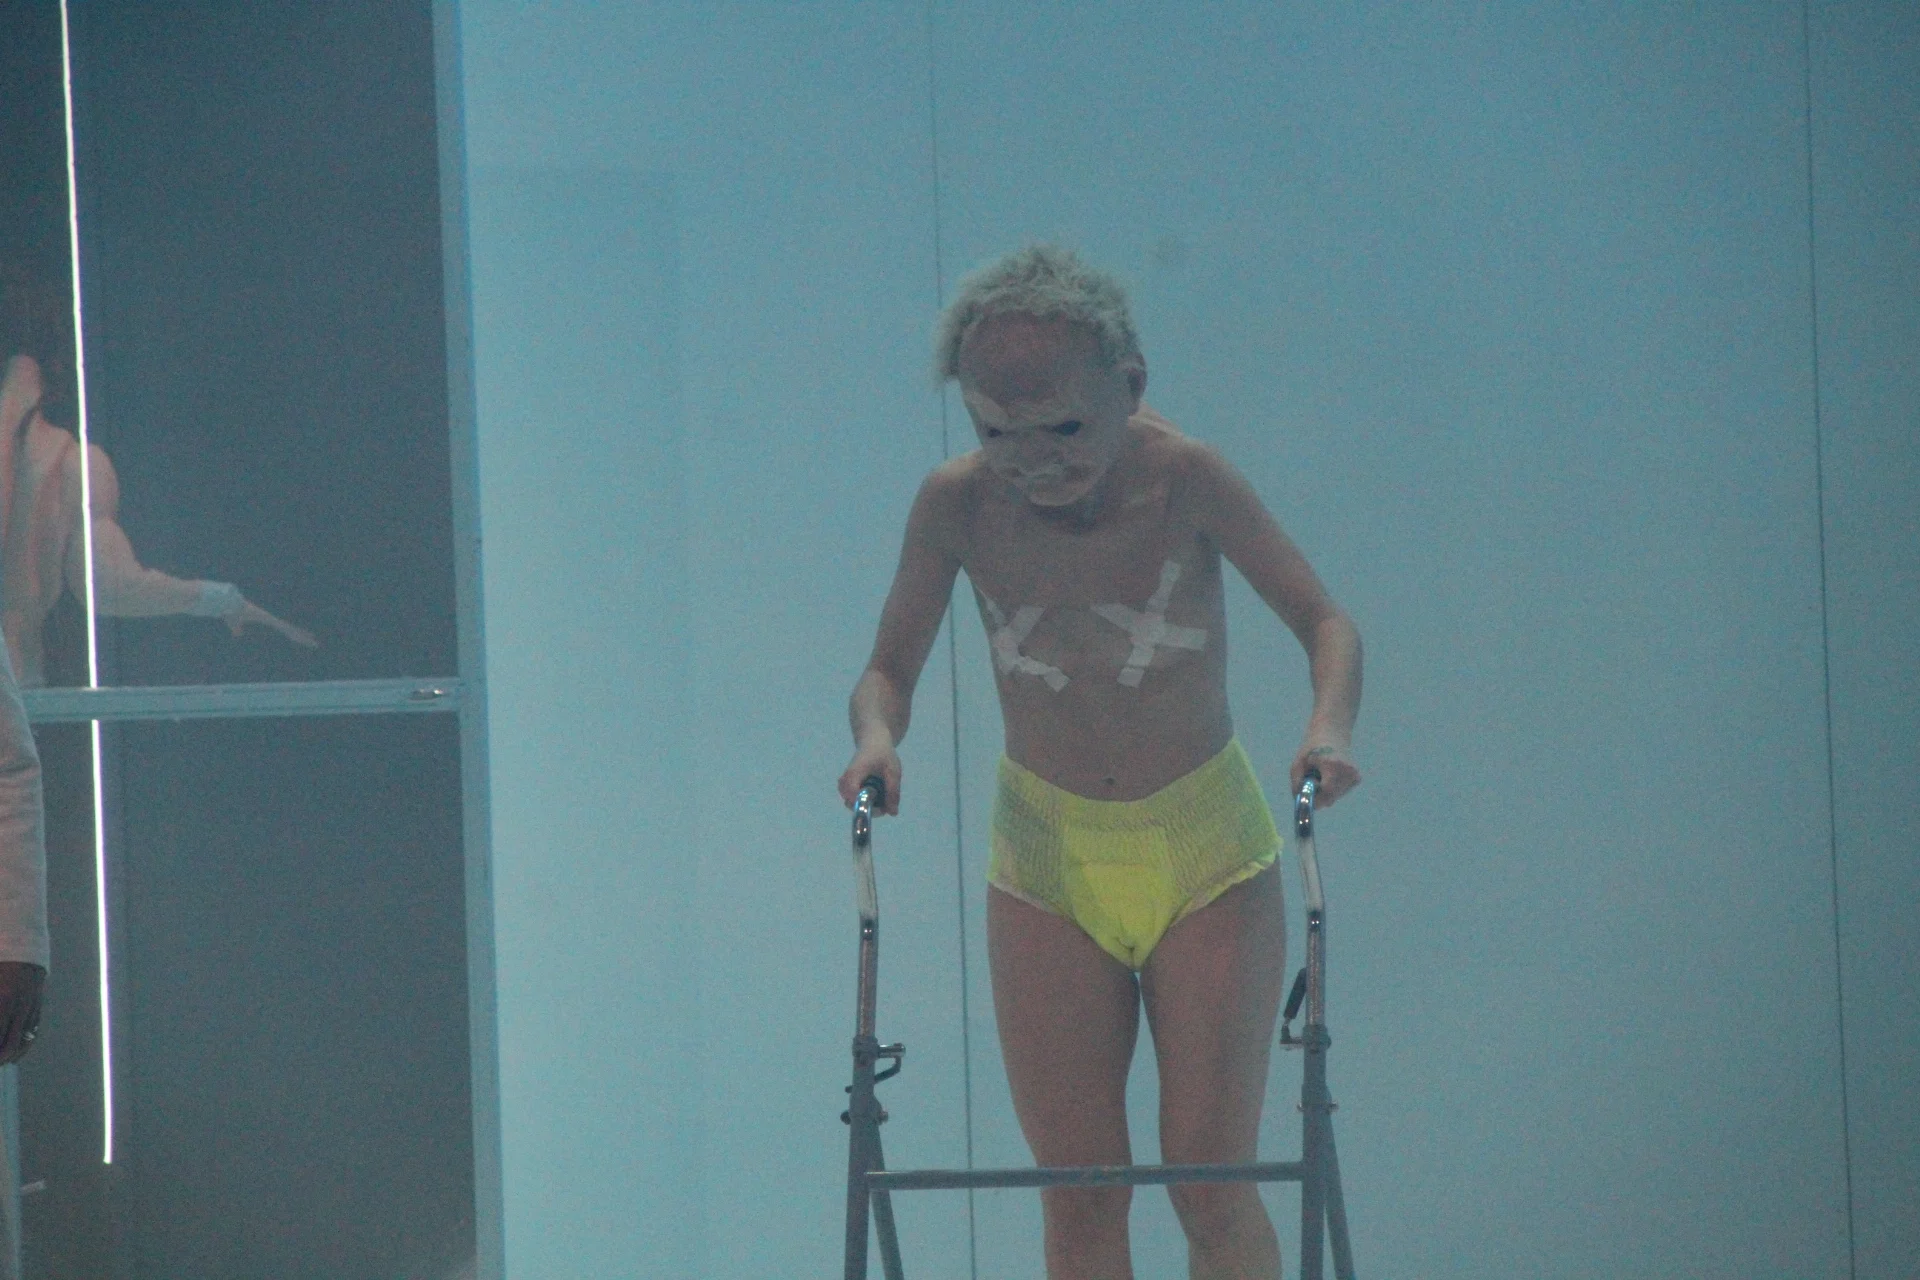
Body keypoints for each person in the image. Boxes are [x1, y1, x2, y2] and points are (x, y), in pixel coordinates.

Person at [839, 246, 1362, 1280]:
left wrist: (1327, 728)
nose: (1033, 461)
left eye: (1065, 430)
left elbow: (1326, 621)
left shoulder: (1188, 479)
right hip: (1046, 856)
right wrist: (876, 738)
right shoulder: (955, 505)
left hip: (1205, 846)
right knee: (1080, 1193)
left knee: (1211, 1184)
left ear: (1130, 385)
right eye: (997, 433)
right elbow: (887, 669)